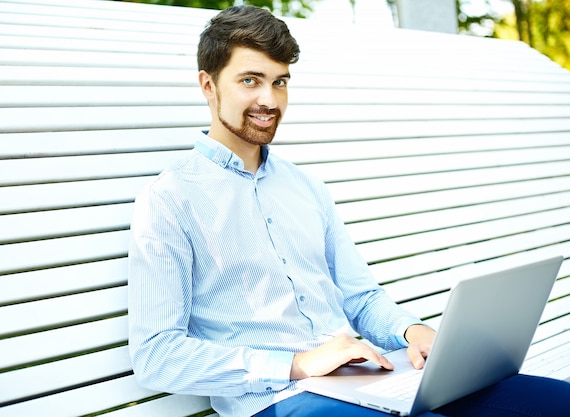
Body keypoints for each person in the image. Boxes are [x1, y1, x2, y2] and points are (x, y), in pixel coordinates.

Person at [128, 6, 570, 417]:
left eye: (280, 82)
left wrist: (412, 333)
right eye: (250, 80)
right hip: (279, 401)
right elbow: (156, 354)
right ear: (208, 85)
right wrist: (298, 363)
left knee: (556, 402)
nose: (269, 99)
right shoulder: (171, 200)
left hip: (366, 378)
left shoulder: (305, 188)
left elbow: (360, 297)